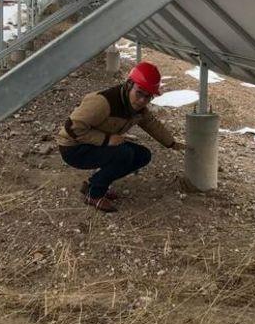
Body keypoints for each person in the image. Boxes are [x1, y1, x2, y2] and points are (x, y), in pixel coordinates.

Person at [58, 61, 184, 212]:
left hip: (93, 144)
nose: (142, 100)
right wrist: (106, 139)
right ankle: (94, 194)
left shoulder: (137, 108)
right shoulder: (103, 102)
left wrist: (171, 143)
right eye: (139, 93)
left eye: (148, 96)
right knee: (124, 154)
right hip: (74, 148)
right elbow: (72, 128)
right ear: (129, 85)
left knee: (143, 155)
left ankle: (94, 184)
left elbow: (151, 123)